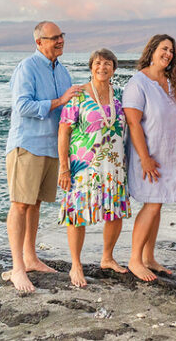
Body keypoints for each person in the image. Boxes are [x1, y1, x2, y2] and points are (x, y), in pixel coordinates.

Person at [3, 21, 83, 293]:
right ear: (39, 42)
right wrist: (60, 101)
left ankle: (31, 258)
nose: (60, 40)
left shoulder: (62, 71)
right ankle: (17, 268)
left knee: (35, 204)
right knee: (20, 205)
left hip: (51, 148)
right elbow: (22, 105)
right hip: (27, 145)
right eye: (54, 38)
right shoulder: (28, 66)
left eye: (62, 35)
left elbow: (69, 113)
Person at [57, 48, 131, 288]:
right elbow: (63, 131)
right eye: (98, 63)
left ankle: (107, 257)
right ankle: (76, 264)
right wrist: (64, 168)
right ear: (91, 67)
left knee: (115, 212)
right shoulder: (78, 95)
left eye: (108, 63)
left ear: (114, 68)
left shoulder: (119, 94)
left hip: (115, 164)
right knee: (77, 214)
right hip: (83, 165)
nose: (103, 67)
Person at [122, 34, 176, 281]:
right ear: (151, 50)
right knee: (151, 204)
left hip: (171, 155)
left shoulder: (175, 81)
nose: (168, 54)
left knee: (157, 204)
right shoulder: (138, 83)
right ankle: (134, 259)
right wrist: (145, 158)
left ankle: (149, 257)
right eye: (164, 48)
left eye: (172, 50)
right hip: (149, 156)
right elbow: (133, 122)